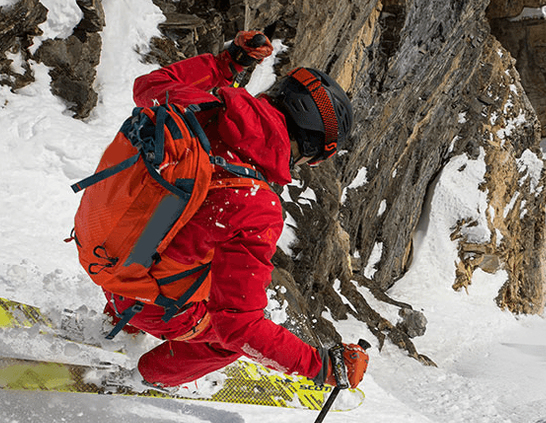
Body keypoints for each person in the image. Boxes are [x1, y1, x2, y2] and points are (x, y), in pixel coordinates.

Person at [102, 31, 367, 392]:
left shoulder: (199, 109)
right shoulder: (255, 204)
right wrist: (321, 366)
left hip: (101, 250)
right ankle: (149, 377)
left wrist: (227, 65)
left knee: (183, 248)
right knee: (225, 342)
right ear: (306, 148)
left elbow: (151, 84)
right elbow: (239, 329)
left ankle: (118, 322)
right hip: (144, 298)